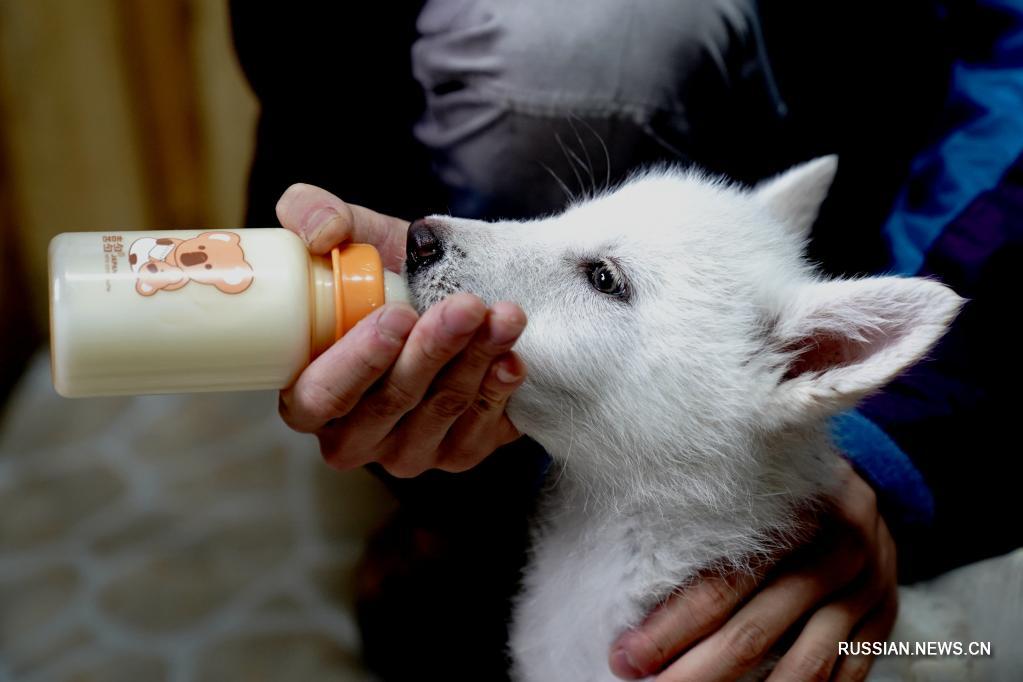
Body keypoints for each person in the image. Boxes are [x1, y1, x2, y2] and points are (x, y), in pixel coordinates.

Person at [231, 1, 1022, 679]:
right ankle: (452, 503)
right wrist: (327, 256)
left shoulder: (791, 344)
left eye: (605, 280)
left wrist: (893, 451)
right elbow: (308, 49)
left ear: (804, 362)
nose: (440, 237)